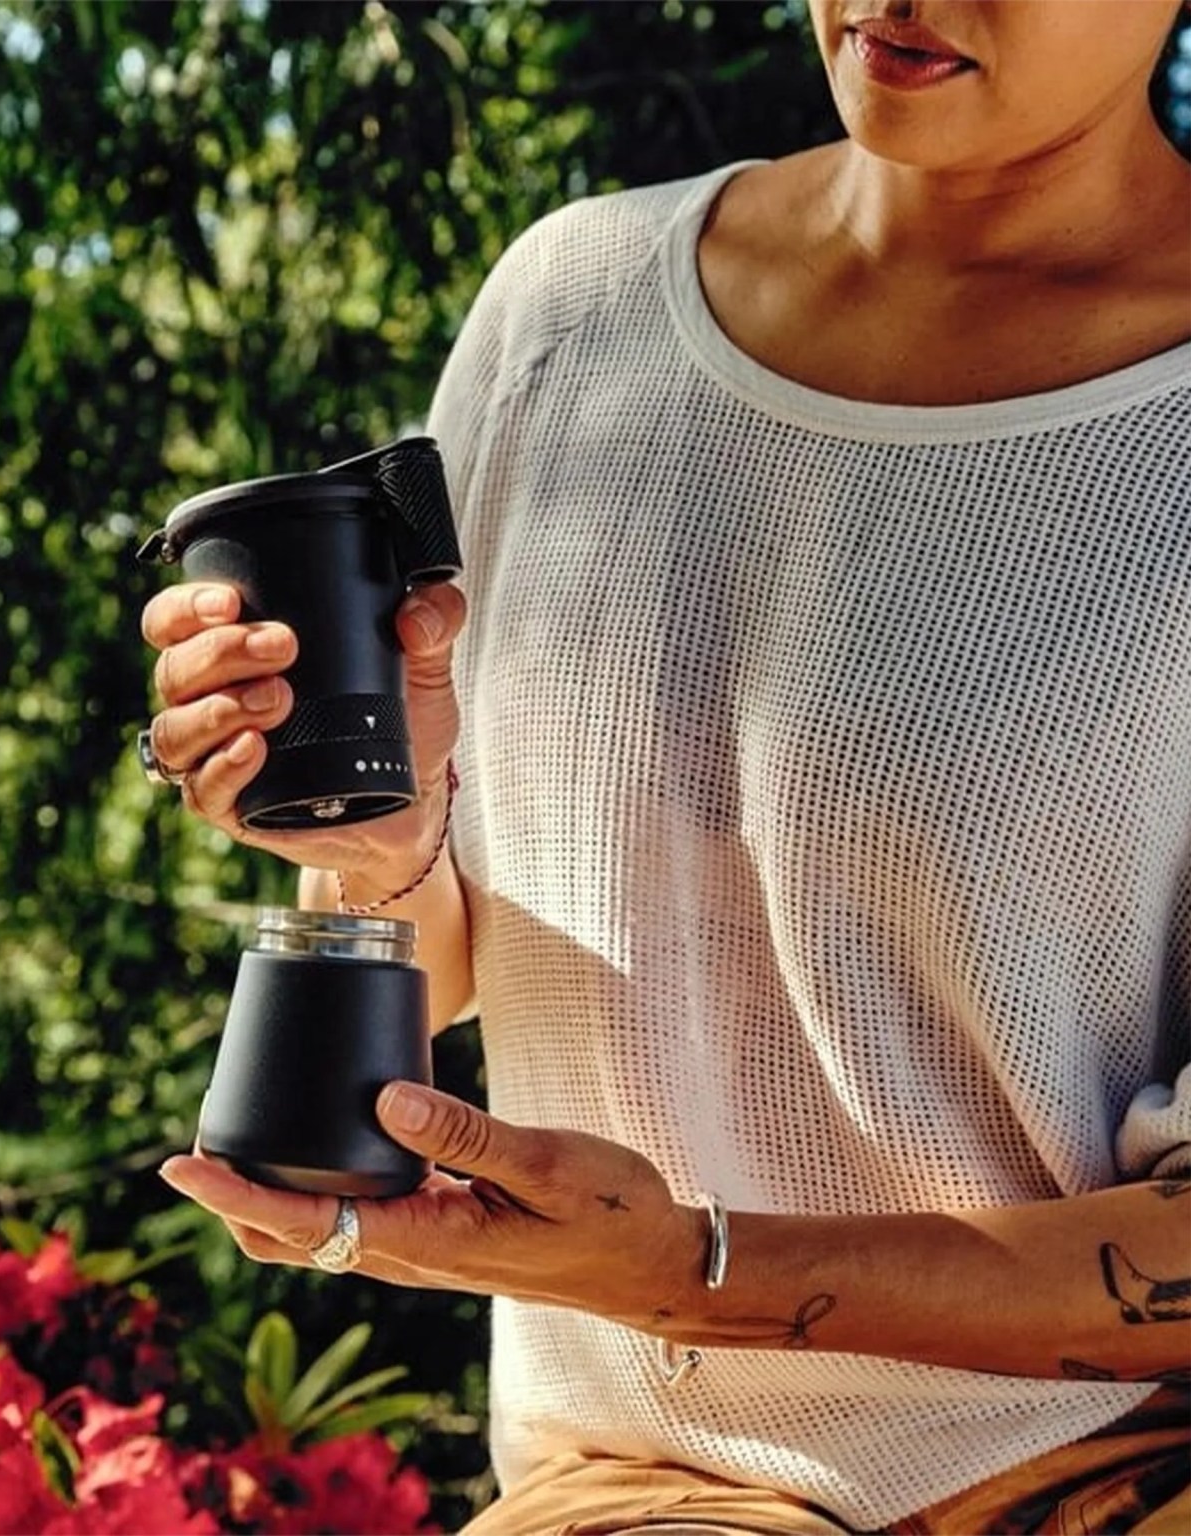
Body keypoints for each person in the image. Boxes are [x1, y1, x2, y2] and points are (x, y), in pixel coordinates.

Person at [140, 1, 1191, 1531]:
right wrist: (385, 851)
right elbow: (438, 963)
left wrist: (698, 1273)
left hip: (1111, 1470)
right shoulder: (576, 310)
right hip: (640, 1483)